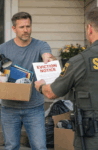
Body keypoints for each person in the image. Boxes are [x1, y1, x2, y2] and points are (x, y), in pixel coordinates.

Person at [0, 12, 56, 150]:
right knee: (11, 146)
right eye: (22, 27)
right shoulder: (3, 48)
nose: (26, 30)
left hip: (34, 108)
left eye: (28, 26)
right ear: (14, 29)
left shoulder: (40, 45)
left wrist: (49, 59)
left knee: (40, 146)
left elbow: (46, 55)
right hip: (9, 108)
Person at [35, 8, 98, 150]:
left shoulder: (79, 61)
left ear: (89, 29)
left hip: (92, 136)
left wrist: (40, 86)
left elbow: (51, 93)